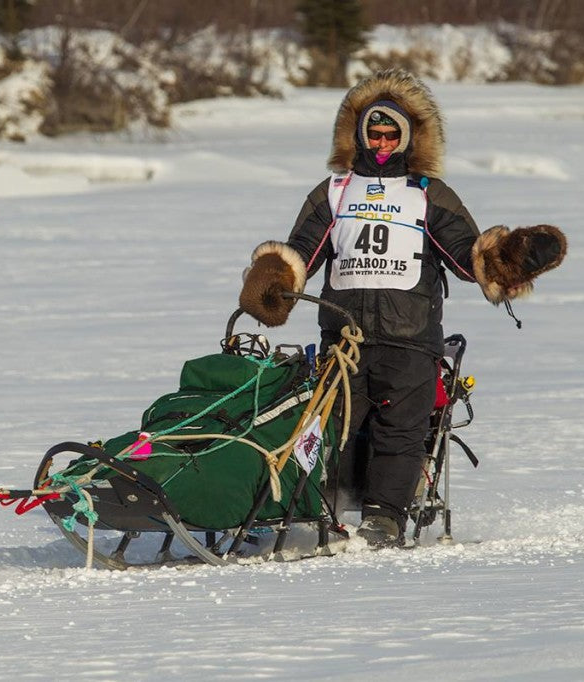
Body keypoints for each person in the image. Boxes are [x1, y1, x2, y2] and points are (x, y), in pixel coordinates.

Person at [238, 69, 566, 546]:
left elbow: (466, 256)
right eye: (375, 131)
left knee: (400, 432)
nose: (384, 141)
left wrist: (509, 259)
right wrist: (271, 281)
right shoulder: (334, 192)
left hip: (410, 340)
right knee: (336, 433)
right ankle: (326, 514)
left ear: (410, 136)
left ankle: (384, 519)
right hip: (344, 338)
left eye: (393, 133)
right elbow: (301, 252)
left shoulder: (428, 193)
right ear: (359, 133)